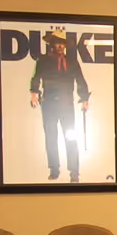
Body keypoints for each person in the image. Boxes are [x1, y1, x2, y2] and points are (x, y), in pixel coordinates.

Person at [29, 28, 90, 182]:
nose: (60, 46)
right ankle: (54, 168)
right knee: (51, 136)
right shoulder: (43, 61)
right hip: (49, 102)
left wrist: (84, 98)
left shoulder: (71, 61)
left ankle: (74, 171)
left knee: (70, 136)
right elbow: (36, 78)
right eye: (57, 43)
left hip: (66, 103)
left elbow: (80, 79)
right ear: (52, 44)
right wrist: (34, 93)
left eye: (62, 43)